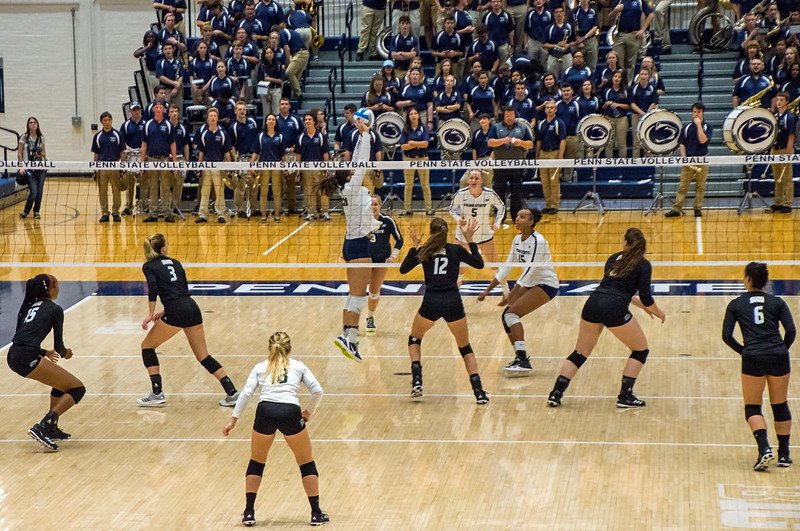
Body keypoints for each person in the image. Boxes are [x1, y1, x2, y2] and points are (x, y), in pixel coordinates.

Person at [547, 227, 666, 408]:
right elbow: (645, 297)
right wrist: (657, 311)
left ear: (625, 242)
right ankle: (625, 396)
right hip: (614, 308)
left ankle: (555, 394)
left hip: (593, 303)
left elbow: (616, 290)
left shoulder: (613, 258)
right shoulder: (643, 264)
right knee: (640, 350)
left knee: (580, 353)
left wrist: (644, 308)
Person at [223, 331, 328, 526]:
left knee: (256, 462)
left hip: (265, 411)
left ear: (269, 348)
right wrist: (308, 412)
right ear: (290, 348)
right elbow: (318, 390)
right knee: (306, 463)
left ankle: (248, 512)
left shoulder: (260, 367)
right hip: (290, 412)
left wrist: (233, 420)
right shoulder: (298, 366)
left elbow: (246, 393)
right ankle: (316, 513)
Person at [138, 233, 240, 407]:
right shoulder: (176, 263)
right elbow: (182, 290)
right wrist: (165, 311)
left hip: (177, 310)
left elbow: (153, 289)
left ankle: (157, 393)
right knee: (203, 356)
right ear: (164, 248)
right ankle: (232, 392)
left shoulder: (149, 266)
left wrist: (151, 313)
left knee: (147, 347)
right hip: (192, 307)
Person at [399, 217, 490, 404]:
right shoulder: (456, 250)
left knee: (414, 339)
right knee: (465, 347)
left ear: (431, 232)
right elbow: (479, 264)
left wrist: (415, 246)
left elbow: (403, 269)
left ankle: (417, 381)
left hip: (431, 301)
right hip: (453, 302)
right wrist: (470, 239)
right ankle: (479, 392)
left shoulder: (425, 251)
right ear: (446, 232)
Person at [317, 117, 382, 361]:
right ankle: (350, 338)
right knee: (358, 294)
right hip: (357, 244)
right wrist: (365, 135)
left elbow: (356, 161)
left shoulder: (349, 186)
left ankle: (347, 334)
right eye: (351, 169)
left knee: (353, 292)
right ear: (349, 176)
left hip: (352, 241)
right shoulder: (353, 187)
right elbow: (362, 163)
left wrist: (360, 133)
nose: (354, 167)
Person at [722, 262, 796, 470]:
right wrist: (782, 349)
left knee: (753, 407)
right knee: (780, 405)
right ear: (766, 281)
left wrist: (744, 351)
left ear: (747, 279)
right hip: (779, 356)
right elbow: (790, 331)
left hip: (753, 357)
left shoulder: (736, 304)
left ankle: (764, 448)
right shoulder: (777, 302)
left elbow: (726, 336)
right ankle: (784, 455)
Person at [477, 208, 559, 375]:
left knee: (511, 315)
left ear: (531, 222)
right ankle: (520, 357)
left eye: (522, 216)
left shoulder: (539, 241)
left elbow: (530, 269)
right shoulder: (517, 239)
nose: (517, 218)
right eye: (517, 215)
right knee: (506, 317)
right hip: (530, 282)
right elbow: (506, 266)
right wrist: (488, 290)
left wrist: (513, 293)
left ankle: (522, 360)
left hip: (546, 284)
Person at [8, 274, 84, 451]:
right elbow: (60, 346)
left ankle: (51, 427)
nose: (59, 288)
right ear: (51, 289)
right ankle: (42, 426)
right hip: (26, 356)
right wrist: (66, 353)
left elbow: (21, 338)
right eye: (57, 285)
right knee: (77, 389)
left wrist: (44, 352)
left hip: (15, 354)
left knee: (62, 384)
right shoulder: (55, 309)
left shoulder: (30, 306)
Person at [449, 169, 505, 279]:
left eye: (476, 178)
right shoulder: (461, 194)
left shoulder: (489, 194)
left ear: (481, 181)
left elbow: (501, 207)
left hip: (484, 235)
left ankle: (507, 293)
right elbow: (452, 209)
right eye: (471, 178)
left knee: (495, 267)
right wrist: (458, 218)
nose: (473, 180)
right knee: (458, 270)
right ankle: (453, 295)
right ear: (468, 180)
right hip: (463, 235)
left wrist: (497, 222)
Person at [665, 102, 712, 218]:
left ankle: (697, 208)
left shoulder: (707, 127)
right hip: (688, 161)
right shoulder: (686, 128)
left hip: (702, 160)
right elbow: (682, 144)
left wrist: (699, 126)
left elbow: (702, 140)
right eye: (695, 112)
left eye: (699, 112)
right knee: (683, 186)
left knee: (700, 186)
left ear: (703, 113)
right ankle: (676, 209)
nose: (697, 114)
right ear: (692, 114)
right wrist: (684, 158)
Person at [365, 194, 403, 334]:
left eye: (375, 204)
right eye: (370, 204)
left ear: (380, 205)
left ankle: (370, 318)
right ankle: (351, 325)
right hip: (365, 260)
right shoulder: (361, 221)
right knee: (357, 291)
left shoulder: (387, 221)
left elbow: (400, 240)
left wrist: (393, 256)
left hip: (382, 260)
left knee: (374, 292)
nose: (373, 207)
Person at [489, 106, 534, 220]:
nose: (509, 117)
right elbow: (490, 142)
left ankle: (516, 217)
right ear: (504, 116)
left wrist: (521, 143)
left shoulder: (522, 127)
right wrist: (503, 140)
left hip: (517, 166)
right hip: (500, 166)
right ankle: (500, 217)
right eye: (507, 115)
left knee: (517, 193)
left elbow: (530, 144)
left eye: (511, 115)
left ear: (515, 115)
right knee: (499, 192)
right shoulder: (496, 127)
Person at [140, 100, 178, 223]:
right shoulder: (148, 125)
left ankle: (167, 213)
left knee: (166, 187)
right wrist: (142, 164)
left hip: (165, 159)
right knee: (153, 187)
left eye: (160, 107)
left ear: (163, 109)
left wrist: (174, 164)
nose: (158, 109)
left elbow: (173, 145)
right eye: (156, 107)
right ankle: (153, 213)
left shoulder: (168, 125)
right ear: (153, 109)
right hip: (151, 159)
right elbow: (144, 145)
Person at [196, 107, 235, 223]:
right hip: (207, 166)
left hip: (219, 166)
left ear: (217, 118)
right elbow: (201, 152)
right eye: (210, 116)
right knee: (205, 190)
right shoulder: (204, 134)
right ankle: (202, 214)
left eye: (214, 116)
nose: (212, 118)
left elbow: (227, 152)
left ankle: (221, 213)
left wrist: (229, 166)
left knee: (219, 190)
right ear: (207, 119)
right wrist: (199, 166)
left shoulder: (222, 133)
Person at [296, 112, 331, 221]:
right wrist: (298, 169)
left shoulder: (321, 136)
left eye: (309, 119)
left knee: (322, 190)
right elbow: (298, 155)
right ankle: (312, 212)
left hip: (319, 168)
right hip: (306, 168)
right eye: (305, 119)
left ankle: (325, 212)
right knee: (308, 190)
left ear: (314, 121)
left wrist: (327, 168)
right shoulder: (301, 137)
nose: (307, 121)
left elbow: (325, 153)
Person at [91, 112, 125, 223]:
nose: (107, 122)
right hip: (102, 167)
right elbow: (96, 154)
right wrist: (95, 169)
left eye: (109, 120)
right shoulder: (98, 136)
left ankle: (115, 212)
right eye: (105, 120)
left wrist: (123, 166)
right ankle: (105, 212)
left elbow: (122, 152)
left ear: (111, 121)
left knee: (116, 191)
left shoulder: (118, 134)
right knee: (102, 191)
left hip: (115, 166)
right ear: (102, 122)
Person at [251, 114, 285, 223]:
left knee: (276, 191)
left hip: (276, 166)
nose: (271, 121)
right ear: (266, 122)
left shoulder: (280, 136)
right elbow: (256, 152)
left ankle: (277, 214)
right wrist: (252, 165)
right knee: (264, 191)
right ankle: (263, 215)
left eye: (273, 119)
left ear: (276, 122)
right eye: (269, 119)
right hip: (264, 166)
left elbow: (283, 154)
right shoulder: (260, 136)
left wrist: (285, 167)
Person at [609, 0, 654, 84]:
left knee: (630, 64)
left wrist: (643, 30)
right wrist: (615, 10)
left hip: (634, 35)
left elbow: (651, 14)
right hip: (620, 34)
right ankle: (618, 85)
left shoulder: (640, 1)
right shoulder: (619, 1)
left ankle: (628, 86)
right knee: (618, 63)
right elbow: (609, 17)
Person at [399, 108, 432, 215]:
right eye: (411, 114)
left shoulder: (423, 128)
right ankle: (407, 209)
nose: (413, 115)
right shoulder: (405, 130)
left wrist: (412, 143)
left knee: (425, 185)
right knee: (408, 186)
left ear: (418, 115)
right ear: (408, 117)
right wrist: (418, 144)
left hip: (422, 158)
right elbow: (403, 147)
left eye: (415, 113)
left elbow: (426, 144)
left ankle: (429, 209)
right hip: (408, 159)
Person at [536, 100, 566, 214]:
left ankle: (554, 205)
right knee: (544, 181)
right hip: (543, 154)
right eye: (547, 107)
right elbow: (538, 141)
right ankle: (548, 205)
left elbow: (563, 140)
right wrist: (537, 155)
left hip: (554, 153)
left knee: (554, 180)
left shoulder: (559, 123)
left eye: (552, 107)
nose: (549, 109)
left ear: (555, 109)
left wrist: (560, 156)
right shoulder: (541, 123)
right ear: (545, 110)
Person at [768, 91, 796, 214]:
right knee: (777, 178)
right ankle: (778, 202)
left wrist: (788, 152)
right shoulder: (774, 116)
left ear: (786, 102)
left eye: (781, 100)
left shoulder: (790, 116)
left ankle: (788, 203)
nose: (778, 102)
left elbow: (791, 135)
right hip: (775, 149)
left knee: (787, 177)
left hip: (785, 149)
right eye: (777, 99)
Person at [17, 116, 47, 220]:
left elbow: (44, 153)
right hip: (29, 168)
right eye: (30, 122)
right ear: (28, 125)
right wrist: (21, 166)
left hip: (41, 168)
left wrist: (39, 154)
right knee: (33, 191)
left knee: (39, 191)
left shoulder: (41, 137)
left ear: (37, 124)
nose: (33, 124)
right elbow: (20, 153)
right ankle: (26, 211)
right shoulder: (24, 137)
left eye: (35, 122)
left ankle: (37, 212)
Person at [601, 69, 629, 158]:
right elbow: (602, 107)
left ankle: (622, 164)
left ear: (622, 79)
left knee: (621, 143)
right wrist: (606, 104)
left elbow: (630, 106)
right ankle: (609, 164)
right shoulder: (607, 91)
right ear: (612, 78)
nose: (617, 79)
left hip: (622, 119)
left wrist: (619, 105)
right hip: (609, 118)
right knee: (609, 143)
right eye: (615, 76)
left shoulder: (626, 90)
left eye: (619, 77)